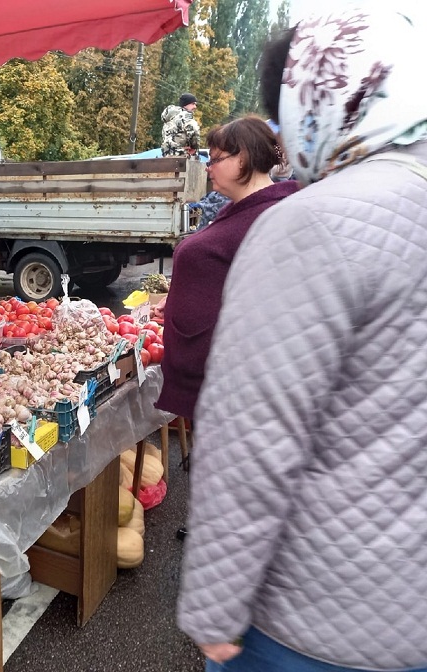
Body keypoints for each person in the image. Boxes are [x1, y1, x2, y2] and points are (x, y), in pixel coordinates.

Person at [177, 5, 427, 671]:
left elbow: (254, 434)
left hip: (318, 618)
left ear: (315, 96)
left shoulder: (313, 222)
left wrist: (213, 609)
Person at [156, 116, 298, 421]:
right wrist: (181, 295)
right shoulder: (239, 209)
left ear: (242, 158)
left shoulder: (270, 216)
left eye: (216, 159)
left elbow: (269, 301)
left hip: (229, 390)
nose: (209, 168)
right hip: (213, 382)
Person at [161, 93, 201, 157]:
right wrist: (194, 147)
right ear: (185, 105)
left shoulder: (170, 119)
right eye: (193, 104)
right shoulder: (185, 116)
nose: (195, 107)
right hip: (182, 155)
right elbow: (194, 131)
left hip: (167, 155)